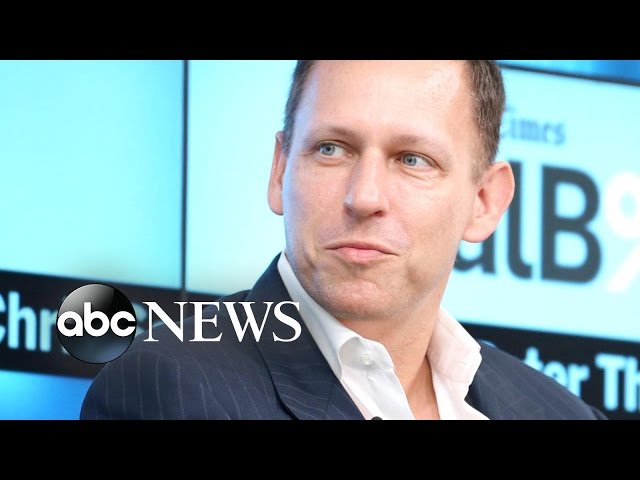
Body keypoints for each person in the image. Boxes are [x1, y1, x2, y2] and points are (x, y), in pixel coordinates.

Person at [80, 60, 605, 420]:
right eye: (331, 149)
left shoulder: (563, 413)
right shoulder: (168, 388)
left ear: (484, 201)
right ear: (280, 170)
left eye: (412, 159)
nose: (364, 196)